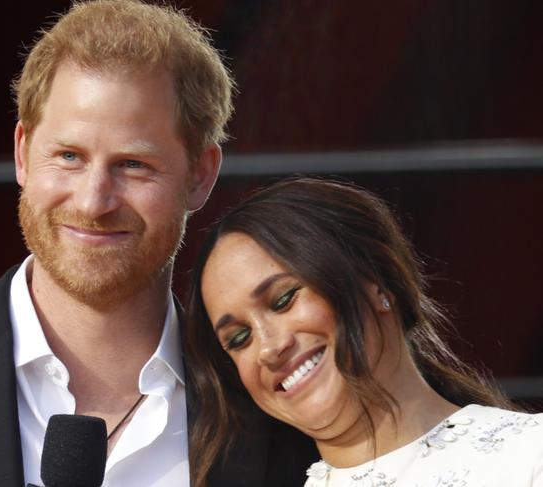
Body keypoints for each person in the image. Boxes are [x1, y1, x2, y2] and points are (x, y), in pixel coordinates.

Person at [0, 2, 315, 486]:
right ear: (23, 153)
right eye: (69, 156)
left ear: (201, 175)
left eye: (133, 164)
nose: (94, 201)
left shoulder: (276, 407)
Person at [184, 176, 543, 487]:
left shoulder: (529, 456)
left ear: (378, 281)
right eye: (239, 339)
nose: (268, 349)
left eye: (284, 300)